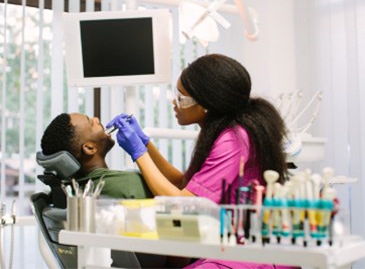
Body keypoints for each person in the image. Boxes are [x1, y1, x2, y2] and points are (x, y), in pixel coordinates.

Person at [107, 53, 297, 269]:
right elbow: (183, 183)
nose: (174, 103)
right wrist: (145, 144)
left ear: (207, 103)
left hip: (251, 252)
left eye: (182, 98)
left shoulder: (234, 139)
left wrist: (138, 153)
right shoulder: (221, 132)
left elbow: (184, 203)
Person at [40, 112, 171, 268]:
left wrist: (144, 143)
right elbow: (179, 196)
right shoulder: (127, 186)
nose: (97, 119)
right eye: (91, 122)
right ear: (89, 147)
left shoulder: (77, 196)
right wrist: (140, 151)